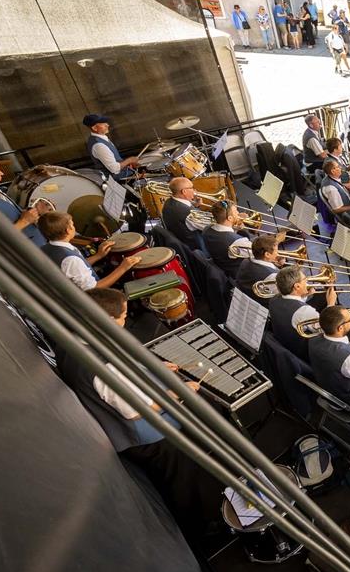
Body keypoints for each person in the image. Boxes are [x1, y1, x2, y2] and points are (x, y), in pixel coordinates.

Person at [58, 288, 215, 535]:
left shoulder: (74, 341)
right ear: (107, 321)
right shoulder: (103, 365)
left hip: (138, 429)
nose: (125, 320)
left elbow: (125, 377)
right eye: (123, 316)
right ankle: (205, 529)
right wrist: (179, 392)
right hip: (151, 438)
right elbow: (137, 410)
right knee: (183, 481)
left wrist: (152, 368)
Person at [38, 211, 140, 290]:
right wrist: (123, 267)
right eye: (72, 225)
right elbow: (94, 289)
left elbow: (75, 270)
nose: (74, 227)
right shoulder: (71, 259)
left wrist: (98, 256)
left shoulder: (45, 248)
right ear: (68, 230)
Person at [268, 265, 337, 361]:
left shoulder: (274, 299)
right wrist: (331, 304)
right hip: (308, 352)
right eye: (305, 280)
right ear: (297, 286)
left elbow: (291, 304)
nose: (307, 282)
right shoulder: (304, 312)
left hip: (286, 342)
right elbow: (328, 328)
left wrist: (305, 295)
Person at [202, 201, 251, 277]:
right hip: (238, 274)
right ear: (230, 218)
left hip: (220, 264)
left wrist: (234, 228)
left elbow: (225, 235)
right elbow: (259, 254)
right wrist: (276, 240)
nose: (239, 213)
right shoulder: (238, 242)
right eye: (236, 211)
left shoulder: (206, 229)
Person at [83, 114, 138, 181]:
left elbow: (115, 160)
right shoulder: (99, 145)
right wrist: (130, 160)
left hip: (125, 173)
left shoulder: (101, 138)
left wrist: (128, 164)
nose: (107, 125)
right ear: (94, 128)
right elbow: (114, 169)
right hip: (120, 180)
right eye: (103, 124)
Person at [161, 177, 209, 246]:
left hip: (181, 239)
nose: (194, 190)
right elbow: (207, 227)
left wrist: (195, 206)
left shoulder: (168, 202)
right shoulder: (188, 213)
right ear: (184, 191)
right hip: (196, 245)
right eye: (192, 188)